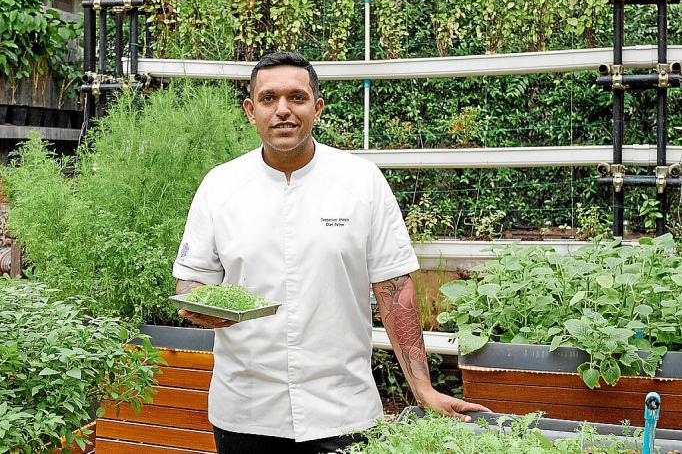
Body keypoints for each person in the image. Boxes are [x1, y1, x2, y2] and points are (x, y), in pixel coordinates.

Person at [172, 51, 488, 454]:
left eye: (296, 97)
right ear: (251, 111)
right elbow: (192, 280)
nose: (282, 110)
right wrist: (198, 304)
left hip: (342, 411)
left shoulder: (361, 181)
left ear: (317, 108)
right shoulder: (220, 186)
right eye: (268, 99)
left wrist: (423, 388)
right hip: (245, 411)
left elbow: (395, 289)